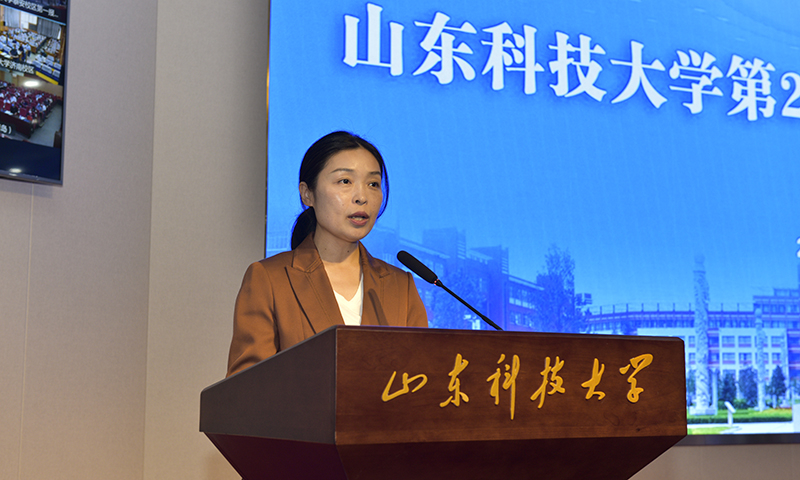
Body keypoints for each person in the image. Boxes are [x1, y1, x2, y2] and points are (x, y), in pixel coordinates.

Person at [226, 131, 428, 376]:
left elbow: (422, 380)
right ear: (307, 194)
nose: (362, 197)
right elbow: (246, 388)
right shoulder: (269, 280)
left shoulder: (401, 287)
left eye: (373, 184)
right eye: (345, 181)